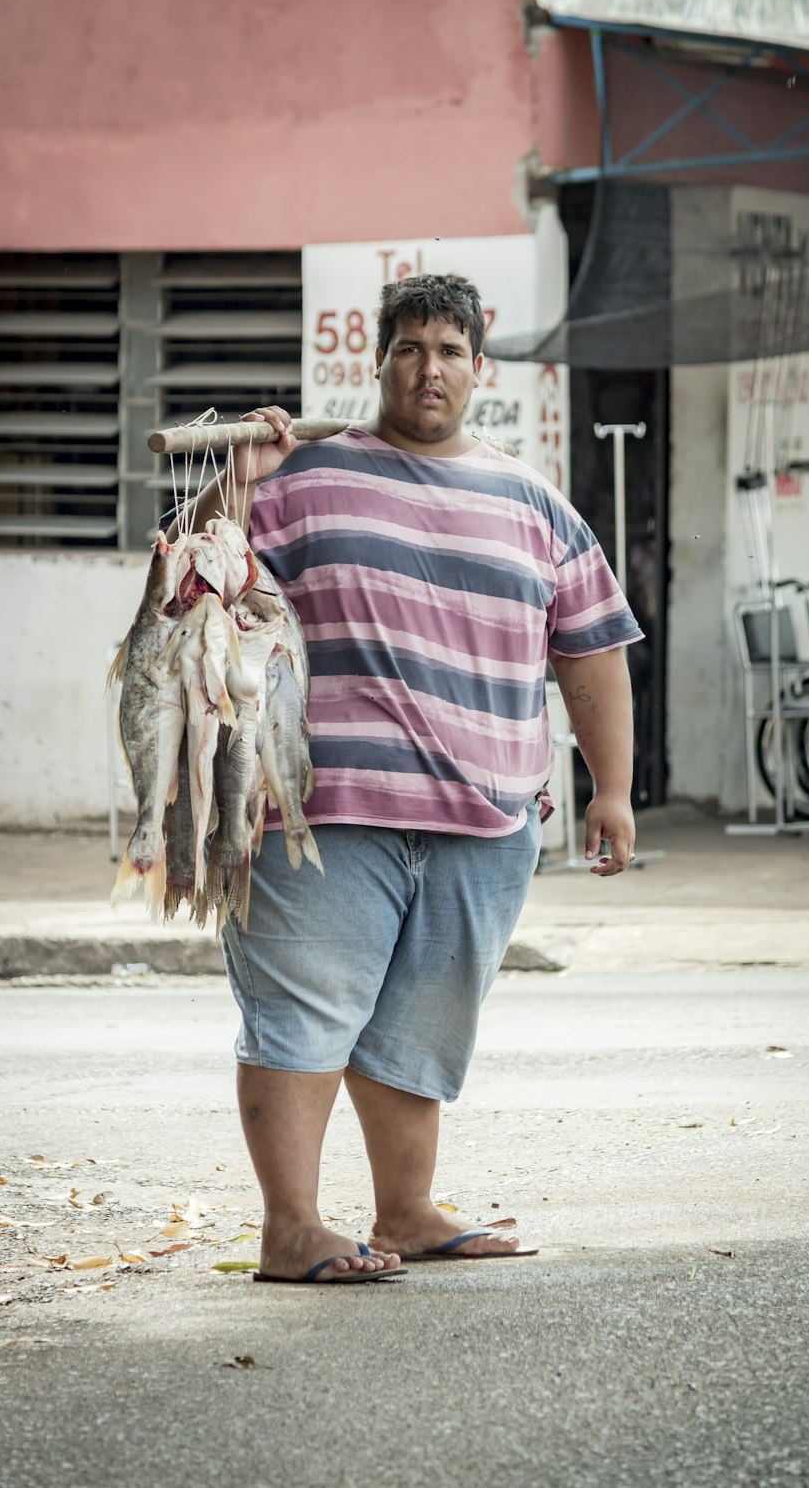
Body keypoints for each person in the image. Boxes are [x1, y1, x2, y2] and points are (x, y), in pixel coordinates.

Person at [179, 272, 642, 1283]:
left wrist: (612, 788)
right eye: (406, 348)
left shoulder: (537, 505)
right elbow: (190, 589)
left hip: (486, 816)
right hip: (320, 808)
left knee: (422, 1023)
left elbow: (591, 654)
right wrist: (236, 483)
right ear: (378, 361)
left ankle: (406, 1211)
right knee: (302, 1010)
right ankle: (291, 1226)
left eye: (446, 350)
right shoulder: (301, 478)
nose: (426, 368)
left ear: (479, 368)